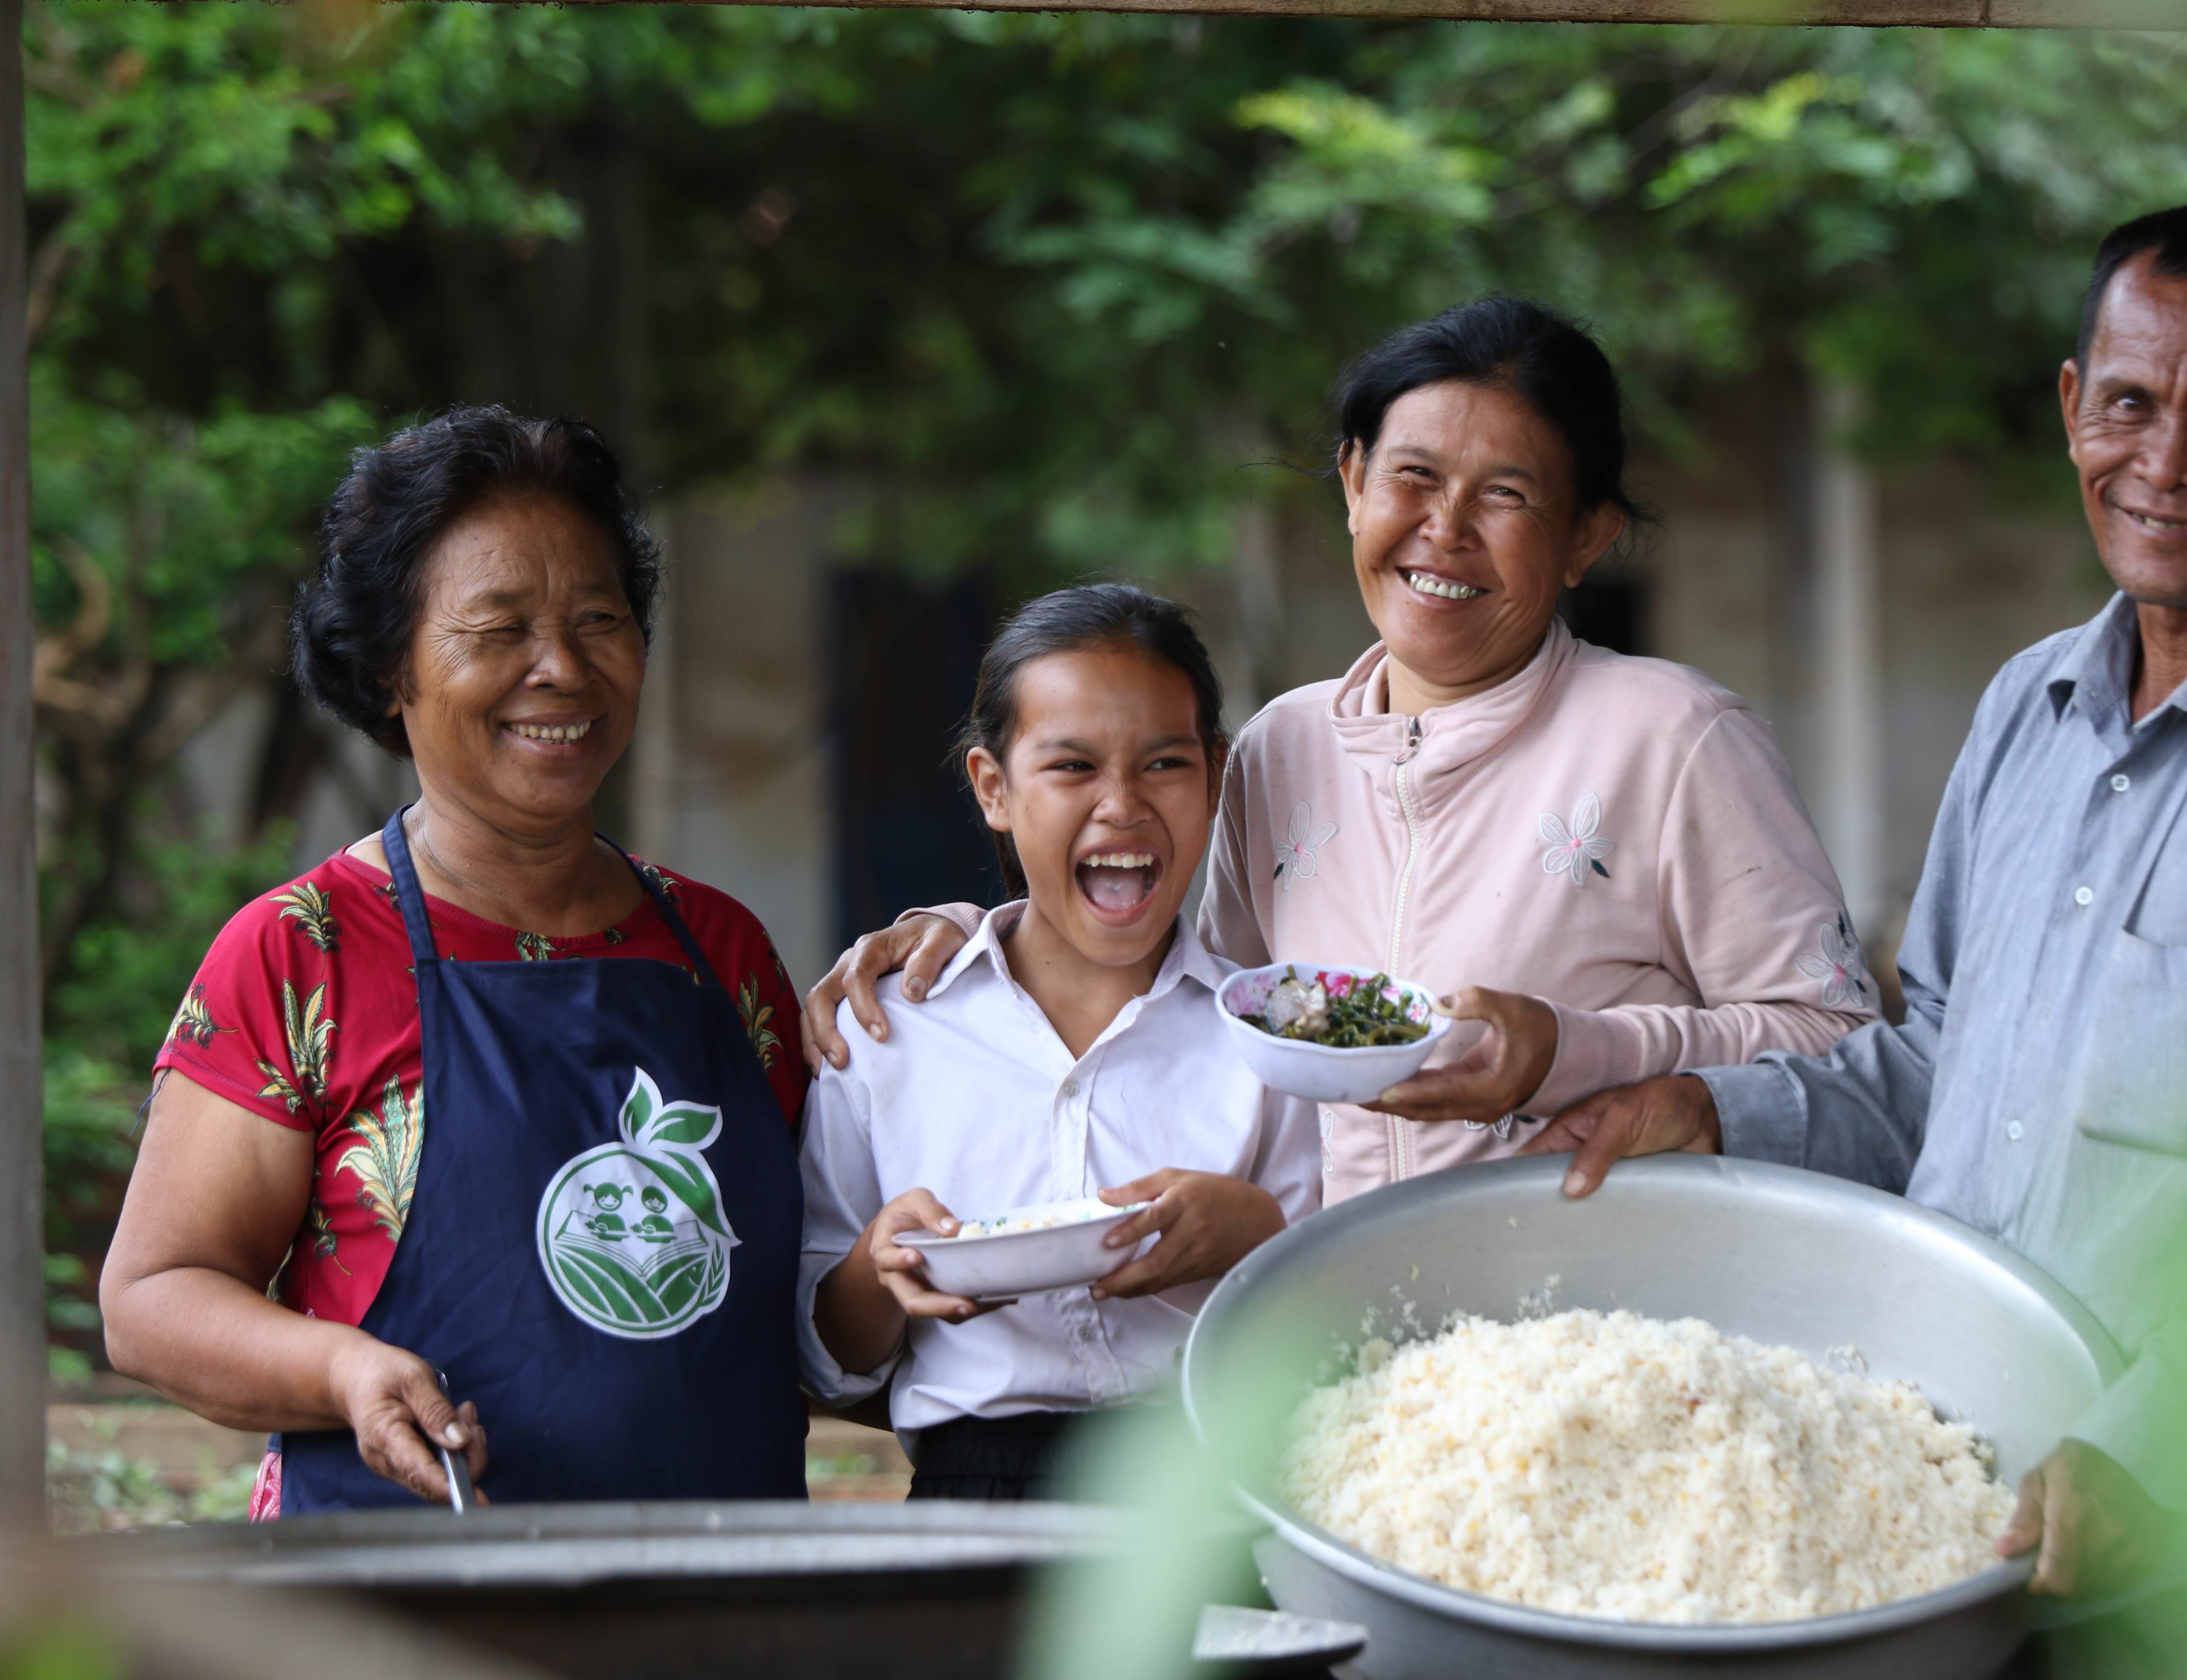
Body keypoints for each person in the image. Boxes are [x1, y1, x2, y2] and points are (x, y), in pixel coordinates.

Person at [1522, 204, 2187, 1597]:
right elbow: (1931, 1064)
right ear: (2071, 409)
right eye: (2129, 403)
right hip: (1935, 1487)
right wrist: (1709, 1109)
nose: (2164, 464)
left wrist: (2147, 1453)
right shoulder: (2029, 705)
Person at [807, 298, 1877, 1202]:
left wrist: (1577, 1048)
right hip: (1336, 1351)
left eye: (1506, 495)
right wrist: (971, 942)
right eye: (1412, 476)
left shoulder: (1675, 736)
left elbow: (1846, 1050)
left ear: (1587, 535)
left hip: (1592, 1347)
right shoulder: (1282, 747)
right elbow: (1198, 998)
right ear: (1354, 479)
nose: (1445, 530)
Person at [99, 408, 813, 1513]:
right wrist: (338, 1367)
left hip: (717, 1606)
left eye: (599, 619)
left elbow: (823, 1293)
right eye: (499, 630)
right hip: (397, 1613)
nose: (563, 669)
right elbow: (151, 1300)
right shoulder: (303, 953)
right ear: (392, 671)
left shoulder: (719, 950)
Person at [800, 585, 1319, 1499]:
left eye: (1164, 764)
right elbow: (826, 1360)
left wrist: (1260, 1236)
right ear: (994, 789)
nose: (1121, 806)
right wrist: (881, 1266)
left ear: (1215, 775)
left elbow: (1341, 1329)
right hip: (973, 1499)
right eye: (1072, 767)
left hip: (1210, 1501)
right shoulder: (889, 1032)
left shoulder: (1274, 1038)